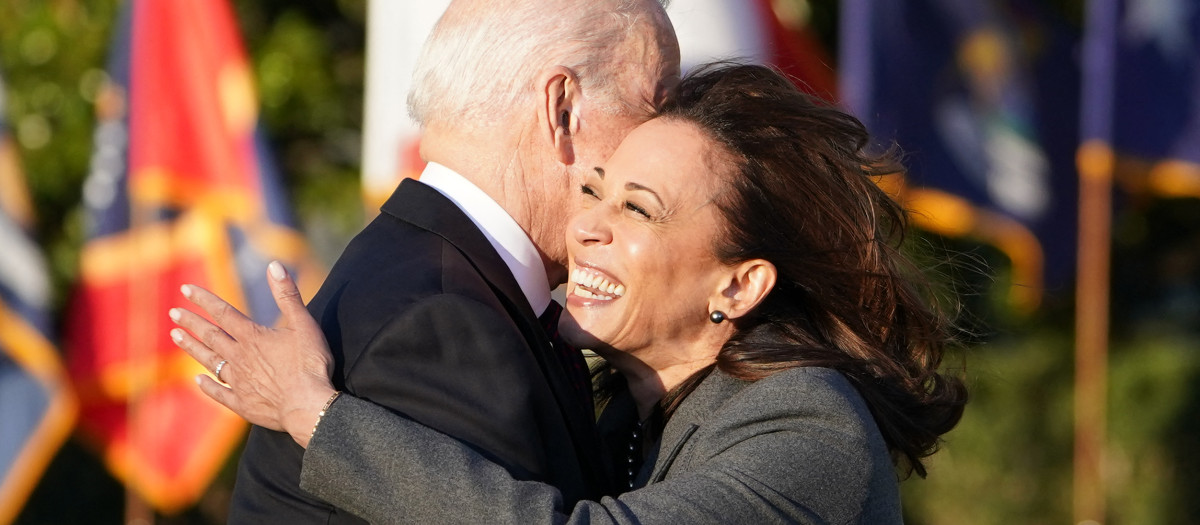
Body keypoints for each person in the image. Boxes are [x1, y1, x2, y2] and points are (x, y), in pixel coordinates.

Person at [172, 63, 967, 523]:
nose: (587, 225)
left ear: (740, 282)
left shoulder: (807, 424)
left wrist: (314, 414)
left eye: (637, 208)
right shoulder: (631, 410)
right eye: (595, 189)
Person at [186, 0, 680, 522]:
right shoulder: (440, 323)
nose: (673, 141)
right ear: (562, 110)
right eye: (658, 109)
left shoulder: (449, 281)